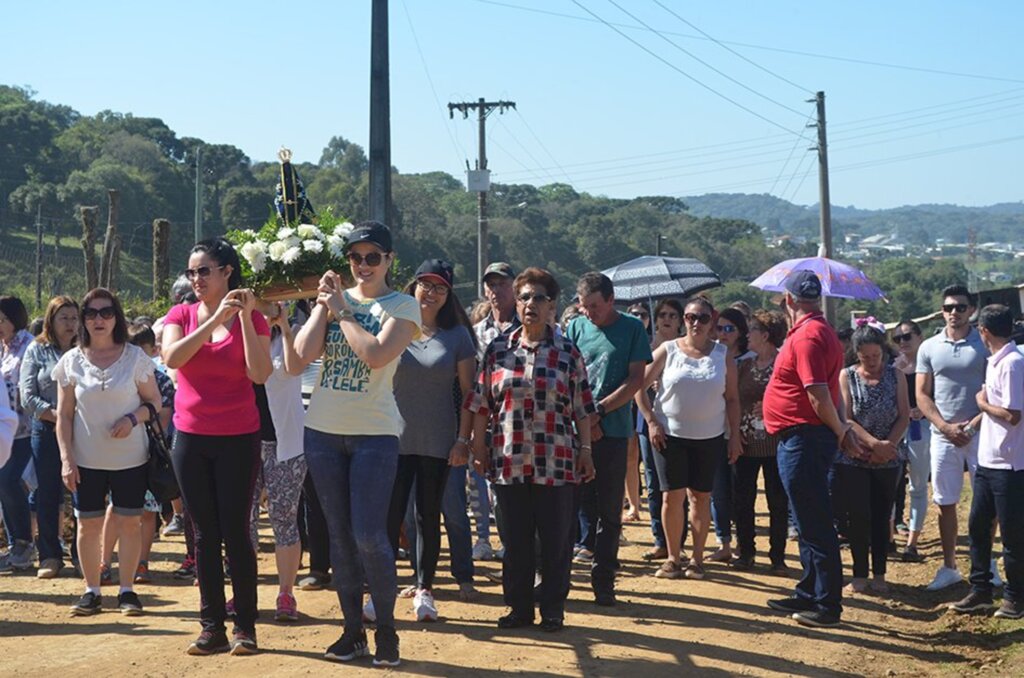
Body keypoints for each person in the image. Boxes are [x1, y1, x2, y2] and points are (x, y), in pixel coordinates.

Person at [294, 220, 420, 667]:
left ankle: (385, 629)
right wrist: (320, 307)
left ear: (389, 260)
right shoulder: (335, 301)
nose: (362, 265)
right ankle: (351, 632)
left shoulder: (404, 305)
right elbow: (299, 360)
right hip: (323, 430)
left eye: (372, 257)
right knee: (340, 538)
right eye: (355, 258)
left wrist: (343, 310)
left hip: (375, 433)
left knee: (370, 535)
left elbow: (376, 354)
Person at [467, 267, 596, 632]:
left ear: (552, 305)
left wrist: (586, 450)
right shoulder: (498, 350)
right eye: (524, 297)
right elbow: (480, 404)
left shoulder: (567, 352)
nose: (530, 305)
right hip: (509, 461)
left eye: (539, 298)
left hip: (556, 463)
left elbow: (583, 407)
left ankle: (553, 608)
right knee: (516, 541)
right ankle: (519, 608)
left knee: (556, 543)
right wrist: (478, 448)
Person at [162, 237, 272, 655]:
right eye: (191, 272)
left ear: (227, 272)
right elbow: (173, 357)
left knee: (236, 531)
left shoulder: (255, 320)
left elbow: (259, 374)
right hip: (190, 437)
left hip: (239, 437)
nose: (196, 280)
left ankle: (245, 625)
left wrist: (244, 317)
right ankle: (212, 626)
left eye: (203, 271)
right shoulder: (181, 313)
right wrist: (211, 322)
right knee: (204, 535)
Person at [763, 270, 871, 628]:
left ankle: (827, 603)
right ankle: (809, 590)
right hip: (802, 437)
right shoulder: (815, 331)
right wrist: (840, 430)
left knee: (814, 519)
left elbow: (818, 393)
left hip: (804, 437)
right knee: (806, 517)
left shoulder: (808, 336)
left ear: (789, 300)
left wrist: (841, 430)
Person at [54, 288, 162, 616]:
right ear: (84, 320)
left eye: (106, 312)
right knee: (87, 525)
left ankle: (127, 590)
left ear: (116, 316)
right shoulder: (71, 361)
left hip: (130, 458)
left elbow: (154, 403)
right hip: (85, 461)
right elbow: (65, 414)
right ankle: (91, 591)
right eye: (91, 313)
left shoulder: (134, 358)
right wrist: (66, 459)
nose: (98, 319)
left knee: (129, 523)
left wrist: (132, 419)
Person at [388, 259, 477, 622]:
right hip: (391, 438)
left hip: (438, 439)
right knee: (391, 516)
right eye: (426, 283)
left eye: (440, 287)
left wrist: (463, 440)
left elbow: (471, 394)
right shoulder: (395, 326)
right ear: (414, 286)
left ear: (448, 294)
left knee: (427, 515)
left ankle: (425, 589)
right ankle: (382, 589)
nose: (431, 292)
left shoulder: (458, 337)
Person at [642, 296, 742, 580]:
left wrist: (733, 436)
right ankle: (673, 558)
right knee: (671, 498)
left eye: (702, 318)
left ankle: (697, 559)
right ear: (683, 320)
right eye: (689, 317)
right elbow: (640, 385)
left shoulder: (724, 356)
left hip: (709, 437)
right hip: (670, 435)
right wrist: (651, 421)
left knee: (700, 497)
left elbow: (733, 399)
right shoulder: (667, 349)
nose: (695, 323)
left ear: (712, 319)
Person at [569, 272, 652, 605]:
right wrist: (585, 417)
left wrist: (599, 412)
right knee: (576, 504)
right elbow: (569, 376)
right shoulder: (575, 328)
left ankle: (604, 579)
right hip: (577, 430)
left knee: (609, 509)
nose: (590, 313)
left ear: (610, 299)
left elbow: (636, 380)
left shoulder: (631, 328)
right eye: (584, 306)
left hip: (614, 430)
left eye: (595, 306)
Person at [950, 304, 1024, 619]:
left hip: (1010, 464)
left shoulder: (1012, 364)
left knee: (1012, 535)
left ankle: (1016, 598)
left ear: (984, 331)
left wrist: (982, 402)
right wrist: (978, 417)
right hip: (989, 460)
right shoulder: (996, 361)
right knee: (978, 527)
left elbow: (1012, 414)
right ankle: (980, 590)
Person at [916, 285, 989, 591]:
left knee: (986, 503)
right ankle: (949, 567)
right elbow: (921, 393)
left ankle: (986, 566)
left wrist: (972, 425)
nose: (954, 313)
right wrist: (944, 427)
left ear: (972, 310)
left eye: (960, 307)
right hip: (943, 436)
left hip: (984, 433)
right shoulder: (929, 347)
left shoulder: (986, 345)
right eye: (948, 308)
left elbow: (998, 390)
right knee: (945, 501)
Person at [835, 325, 910, 594]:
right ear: (857, 354)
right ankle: (859, 574)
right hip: (855, 456)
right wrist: (873, 444)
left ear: (883, 352)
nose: (872, 361)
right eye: (866, 357)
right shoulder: (847, 376)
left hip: (889, 458)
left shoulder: (896, 376)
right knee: (858, 516)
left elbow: (904, 414)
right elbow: (847, 418)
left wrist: (888, 446)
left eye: (876, 355)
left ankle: (880, 574)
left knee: (881, 516)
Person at [249, 300, 307, 622]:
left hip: (286, 444)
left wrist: (284, 326)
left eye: (276, 303)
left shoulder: (295, 334)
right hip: (244, 442)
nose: (269, 309)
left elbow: (294, 366)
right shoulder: (241, 335)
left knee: (283, 519)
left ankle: (286, 594)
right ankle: (244, 593)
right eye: (262, 304)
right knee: (242, 522)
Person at [18, 296, 79, 579]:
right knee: (47, 493)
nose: (70, 324)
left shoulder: (86, 349)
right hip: (45, 430)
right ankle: (50, 555)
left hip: (84, 431)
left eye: (74, 317)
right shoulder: (36, 350)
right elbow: (27, 395)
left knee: (84, 492)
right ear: (50, 320)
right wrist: (59, 417)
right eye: (63, 318)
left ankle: (82, 555)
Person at [732, 309, 789, 573]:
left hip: (777, 442)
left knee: (778, 501)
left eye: (752, 329)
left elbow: (792, 397)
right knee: (742, 499)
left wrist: (770, 407)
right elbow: (733, 400)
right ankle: (746, 552)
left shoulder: (784, 365)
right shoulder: (744, 365)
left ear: (765, 335)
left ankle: (777, 556)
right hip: (745, 440)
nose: (747, 334)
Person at [471, 262, 520, 562]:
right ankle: (482, 538)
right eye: (491, 284)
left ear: (515, 286)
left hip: (514, 421)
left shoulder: (528, 327)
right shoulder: (475, 332)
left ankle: (510, 541)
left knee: (507, 489)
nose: (495, 290)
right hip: (482, 418)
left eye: (502, 283)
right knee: (477, 483)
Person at [636, 299, 685, 562]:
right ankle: (660, 540)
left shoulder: (687, 348)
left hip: (680, 424)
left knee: (678, 486)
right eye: (662, 314)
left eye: (673, 315)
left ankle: (679, 541)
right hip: (648, 421)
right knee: (654, 483)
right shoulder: (644, 346)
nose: (667, 319)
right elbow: (635, 382)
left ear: (680, 320)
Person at [708, 306, 753, 564]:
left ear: (740, 332)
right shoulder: (710, 355)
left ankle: (743, 544)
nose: (723, 333)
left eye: (729, 328)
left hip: (743, 433)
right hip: (714, 430)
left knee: (741, 492)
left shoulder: (752, 358)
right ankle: (723, 542)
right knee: (719, 491)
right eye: (719, 328)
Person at [0, 295, 35, 573]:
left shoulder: (27, 346)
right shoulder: (5, 347)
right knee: (4, 483)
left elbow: (25, 388)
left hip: (26, 430)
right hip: (7, 432)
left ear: (14, 319)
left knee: (10, 481)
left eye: (1, 320)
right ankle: (16, 547)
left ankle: (25, 543)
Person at [892, 320, 929, 562]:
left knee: (918, 485)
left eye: (907, 336)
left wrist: (924, 411)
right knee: (890, 484)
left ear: (919, 336)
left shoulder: (930, 364)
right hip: (896, 429)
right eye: (897, 339)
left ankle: (912, 543)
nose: (903, 342)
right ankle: (887, 538)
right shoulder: (892, 367)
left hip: (921, 429)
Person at [623, 302, 651, 523]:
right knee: (629, 457)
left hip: (647, 404)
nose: (640, 317)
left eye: (643, 314)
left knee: (636, 457)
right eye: (634, 314)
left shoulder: (653, 344)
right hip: (626, 401)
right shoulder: (627, 339)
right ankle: (633, 504)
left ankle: (636, 502)